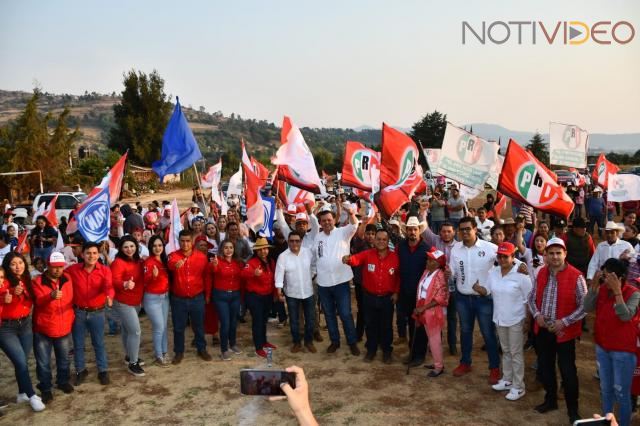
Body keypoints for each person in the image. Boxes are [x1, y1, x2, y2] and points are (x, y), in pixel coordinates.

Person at [528, 237, 587, 424]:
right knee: (546, 368)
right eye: (551, 253)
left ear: (565, 254)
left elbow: (584, 307)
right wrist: (537, 315)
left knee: (568, 372)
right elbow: (531, 298)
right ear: (546, 255)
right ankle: (550, 400)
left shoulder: (577, 276)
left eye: (558, 253)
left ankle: (573, 410)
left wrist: (565, 322)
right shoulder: (542, 273)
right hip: (544, 329)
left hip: (565, 333)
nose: (554, 257)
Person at [584, 259, 640, 426]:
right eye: (604, 275)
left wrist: (617, 293)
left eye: (607, 276)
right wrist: (593, 289)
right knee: (605, 390)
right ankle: (608, 421)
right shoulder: (601, 290)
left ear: (618, 277)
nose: (604, 279)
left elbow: (625, 315)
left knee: (622, 393)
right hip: (603, 347)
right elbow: (587, 307)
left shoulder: (634, 293)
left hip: (623, 351)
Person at [449, 216, 501, 384]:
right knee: (465, 332)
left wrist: (519, 266)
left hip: (484, 299)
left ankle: (494, 368)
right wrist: (449, 273)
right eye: (462, 229)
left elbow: (509, 258)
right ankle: (465, 363)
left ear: (475, 229)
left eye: (467, 229)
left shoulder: (490, 248)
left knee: (488, 334)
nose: (464, 232)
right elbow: (453, 269)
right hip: (462, 298)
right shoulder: (456, 249)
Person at [480, 242, 532, 401]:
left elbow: (529, 299)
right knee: (506, 350)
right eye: (500, 256)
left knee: (516, 353)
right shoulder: (493, 272)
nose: (502, 259)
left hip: (516, 319)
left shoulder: (522, 275)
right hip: (499, 318)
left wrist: (528, 321)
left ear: (513, 257)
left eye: (505, 256)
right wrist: (475, 287)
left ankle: (519, 386)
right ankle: (507, 380)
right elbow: (487, 290)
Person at [343, 228, 399, 363]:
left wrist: (396, 292)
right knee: (370, 325)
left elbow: (398, 277)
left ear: (388, 241)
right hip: (369, 297)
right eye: (378, 239)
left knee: (386, 326)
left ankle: (386, 351)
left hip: (387, 298)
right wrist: (348, 259)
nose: (381, 242)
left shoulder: (395, 257)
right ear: (374, 240)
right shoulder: (367, 254)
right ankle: (371, 350)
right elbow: (355, 259)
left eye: (384, 239)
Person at [0, 254, 45, 411]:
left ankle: (21, 393)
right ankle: (32, 395)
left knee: (22, 362)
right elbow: (3, 293)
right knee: (20, 361)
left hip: (25, 324)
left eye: (20, 262)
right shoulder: (3, 281)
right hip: (6, 328)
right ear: (7, 266)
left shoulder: (27, 280)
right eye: (13, 264)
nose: (18, 266)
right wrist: (11, 293)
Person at [313, 207, 360, 355]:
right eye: (323, 220)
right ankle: (335, 341)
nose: (326, 222)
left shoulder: (342, 232)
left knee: (345, 313)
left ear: (334, 220)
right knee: (329, 314)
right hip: (323, 283)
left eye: (329, 219)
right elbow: (315, 258)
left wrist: (351, 213)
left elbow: (354, 225)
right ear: (320, 223)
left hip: (341, 281)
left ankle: (352, 342)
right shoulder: (317, 237)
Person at [66, 242, 114, 386]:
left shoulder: (104, 270)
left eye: (94, 253)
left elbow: (109, 286)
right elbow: (60, 279)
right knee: (78, 344)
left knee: (98, 343)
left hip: (97, 312)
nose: (91, 256)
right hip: (78, 312)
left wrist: (109, 296)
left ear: (98, 254)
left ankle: (103, 370)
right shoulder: (73, 270)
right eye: (88, 253)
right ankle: (80, 370)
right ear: (82, 255)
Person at [32, 252, 75, 403]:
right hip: (44, 328)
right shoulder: (37, 281)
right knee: (43, 362)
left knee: (64, 359)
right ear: (47, 266)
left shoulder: (68, 278)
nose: (57, 270)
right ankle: (45, 388)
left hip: (63, 326)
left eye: (60, 267)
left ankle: (62, 381)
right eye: (54, 267)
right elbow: (37, 302)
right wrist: (50, 296)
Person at [167, 230, 213, 364]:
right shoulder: (173, 256)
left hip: (197, 297)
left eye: (188, 241)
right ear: (179, 241)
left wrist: (208, 294)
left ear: (192, 241)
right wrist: (176, 266)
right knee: (178, 327)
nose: (185, 244)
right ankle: (179, 352)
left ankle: (201, 349)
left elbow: (206, 277)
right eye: (182, 241)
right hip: (178, 299)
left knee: (199, 326)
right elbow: (170, 265)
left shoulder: (201, 257)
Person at [275, 231, 317, 353]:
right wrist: (279, 291)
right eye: (292, 241)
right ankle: (297, 342)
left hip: (308, 292)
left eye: (297, 241)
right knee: (294, 320)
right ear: (288, 242)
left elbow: (314, 264)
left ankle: (308, 341)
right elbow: (279, 275)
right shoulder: (283, 256)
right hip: (292, 294)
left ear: (301, 241)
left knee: (310, 319)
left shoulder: (308, 253)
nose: (294, 243)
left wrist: (312, 275)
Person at [397, 217, 431, 366]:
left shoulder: (427, 248)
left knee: (420, 325)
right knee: (411, 323)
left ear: (419, 231)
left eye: (415, 229)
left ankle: (419, 355)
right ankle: (413, 351)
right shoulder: (401, 246)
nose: (412, 232)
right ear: (406, 231)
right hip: (405, 292)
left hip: (421, 294)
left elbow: (438, 265)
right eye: (409, 229)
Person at [110, 235, 145, 377]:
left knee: (127, 330)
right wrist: (124, 284)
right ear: (121, 248)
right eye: (125, 247)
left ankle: (129, 356)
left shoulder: (139, 261)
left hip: (136, 300)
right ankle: (133, 363)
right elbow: (113, 280)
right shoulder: (118, 262)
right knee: (135, 332)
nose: (129, 249)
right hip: (123, 301)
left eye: (131, 246)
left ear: (136, 246)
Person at [422, 220, 458, 355]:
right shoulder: (436, 241)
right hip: (436, 288)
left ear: (454, 232)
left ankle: (452, 344)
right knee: (437, 316)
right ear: (439, 233)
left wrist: (453, 272)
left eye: (449, 231)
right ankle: (436, 344)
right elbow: (424, 229)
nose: (446, 234)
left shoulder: (459, 246)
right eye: (444, 231)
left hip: (453, 286)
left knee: (452, 317)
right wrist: (423, 213)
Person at [412, 248, 449, 377]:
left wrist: (424, 307)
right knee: (430, 337)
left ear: (438, 264)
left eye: (431, 260)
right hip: (424, 307)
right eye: (428, 259)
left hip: (433, 310)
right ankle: (436, 362)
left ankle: (438, 367)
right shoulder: (427, 271)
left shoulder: (440, 276)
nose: (427, 262)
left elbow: (440, 297)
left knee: (434, 339)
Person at [241, 238, 277, 358]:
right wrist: (253, 273)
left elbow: (273, 279)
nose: (263, 251)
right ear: (256, 251)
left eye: (265, 249)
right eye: (260, 249)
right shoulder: (252, 262)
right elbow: (243, 274)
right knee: (257, 322)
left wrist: (275, 294)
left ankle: (264, 341)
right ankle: (258, 347)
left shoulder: (271, 261)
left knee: (264, 321)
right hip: (255, 297)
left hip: (267, 296)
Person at [210, 239, 244, 360]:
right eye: (226, 248)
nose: (228, 250)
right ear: (221, 249)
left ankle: (233, 344)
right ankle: (224, 349)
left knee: (234, 322)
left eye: (231, 247)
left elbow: (243, 276)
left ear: (234, 249)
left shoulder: (238, 262)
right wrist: (214, 265)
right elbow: (213, 271)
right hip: (221, 296)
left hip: (235, 295)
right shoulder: (217, 261)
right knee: (225, 323)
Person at [143, 235, 171, 367]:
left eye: (160, 245)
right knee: (159, 326)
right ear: (150, 247)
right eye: (154, 246)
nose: (157, 248)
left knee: (164, 326)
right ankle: (159, 355)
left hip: (165, 297)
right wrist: (153, 277)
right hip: (152, 298)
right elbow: (144, 281)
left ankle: (164, 352)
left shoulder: (165, 260)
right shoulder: (148, 262)